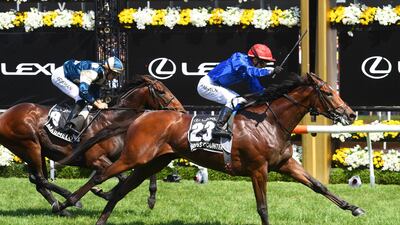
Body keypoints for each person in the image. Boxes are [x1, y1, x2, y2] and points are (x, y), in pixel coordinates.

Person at [197, 44, 283, 138]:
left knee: (242, 102)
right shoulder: (239, 58)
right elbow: (249, 70)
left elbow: (259, 90)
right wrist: (269, 71)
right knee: (235, 100)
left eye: (265, 64)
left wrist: (274, 94)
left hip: (217, 86)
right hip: (206, 85)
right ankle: (218, 128)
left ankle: (230, 127)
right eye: (263, 63)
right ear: (254, 59)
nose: (263, 66)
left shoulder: (248, 73)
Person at [51, 56, 124, 134]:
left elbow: (95, 90)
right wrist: (97, 104)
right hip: (60, 75)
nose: (115, 77)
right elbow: (83, 92)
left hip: (69, 75)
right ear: (107, 70)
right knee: (80, 97)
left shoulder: (102, 74)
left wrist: (99, 102)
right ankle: (67, 128)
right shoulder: (93, 73)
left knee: (89, 100)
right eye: (114, 74)